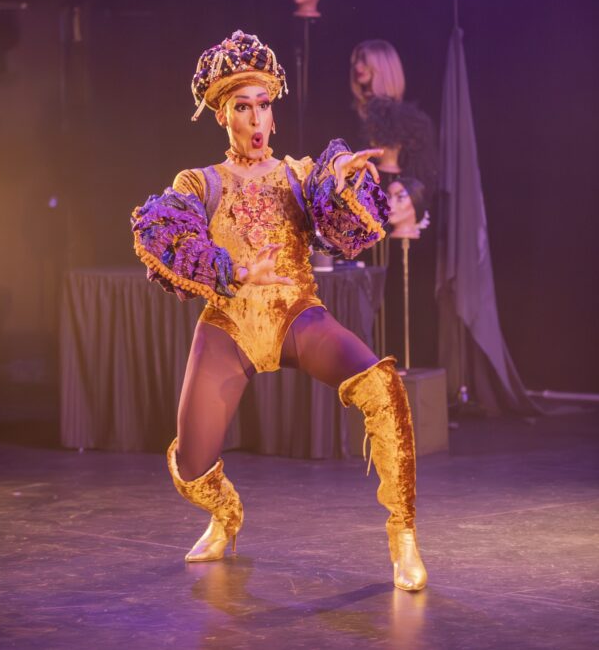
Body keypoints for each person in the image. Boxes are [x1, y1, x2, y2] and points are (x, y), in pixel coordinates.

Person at [131, 30, 427, 591]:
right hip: (230, 322)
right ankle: (226, 516)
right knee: (192, 465)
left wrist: (343, 181)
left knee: (384, 386)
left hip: (296, 316)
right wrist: (233, 271)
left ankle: (403, 535)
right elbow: (160, 230)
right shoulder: (201, 182)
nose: (256, 119)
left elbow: (333, 193)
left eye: (263, 105)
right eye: (243, 107)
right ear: (223, 116)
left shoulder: (297, 173)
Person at [350, 39, 437, 202]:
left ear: (383, 66)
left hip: (387, 207)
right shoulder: (352, 113)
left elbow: (421, 177)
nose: (357, 66)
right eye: (356, 60)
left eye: (364, 60)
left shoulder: (406, 120)